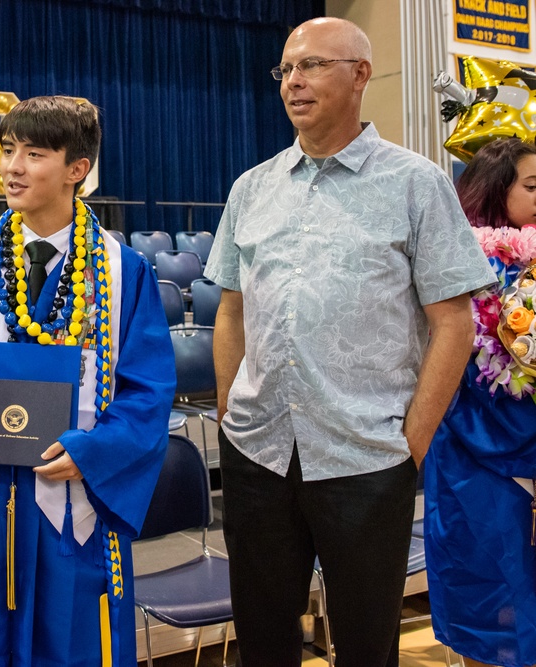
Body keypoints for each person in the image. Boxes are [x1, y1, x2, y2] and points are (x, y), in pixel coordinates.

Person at [204, 17, 495, 667]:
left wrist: (411, 438)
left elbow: (454, 320)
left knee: (365, 644)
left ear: (360, 74)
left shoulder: (414, 183)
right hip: (258, 452)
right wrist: (228, 408)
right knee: (262, 638)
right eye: (285, 69)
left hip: (367, 455)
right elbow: (230, 306)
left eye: (311, 66)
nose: (293, 82)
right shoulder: (251, 187)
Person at [0, 96, 175, 666]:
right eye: (8, 151)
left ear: (78, 169)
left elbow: (147, 393)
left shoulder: (124, 275)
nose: (12, 167)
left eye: (34, 153)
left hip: (70, 506)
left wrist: (95, 451)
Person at [424, 137, 536, 667]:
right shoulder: (456, 264)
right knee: (489, 595)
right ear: (495, 190)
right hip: (473, 450)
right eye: (533, 186)